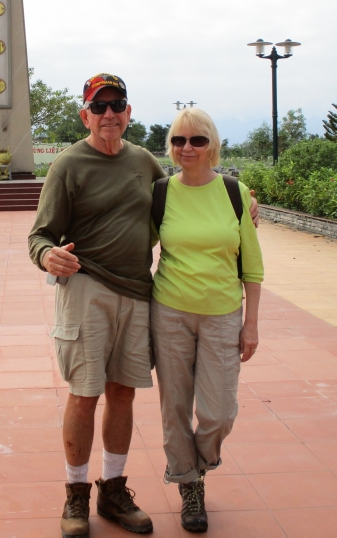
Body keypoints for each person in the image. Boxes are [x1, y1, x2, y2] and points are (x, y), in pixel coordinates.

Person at [29, 73, 162, 537]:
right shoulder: (69, 164)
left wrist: (239, 199)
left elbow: (183, 199)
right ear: (85, 114)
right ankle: (75, 495)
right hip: (86, 288)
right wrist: (48, 254)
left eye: (117, 105)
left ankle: (114, 491)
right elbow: (39, 235)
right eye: (99, 106)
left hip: (137, 291)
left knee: (123, 392)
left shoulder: (144, 161)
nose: (109, 114)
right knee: (85, 395)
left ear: (129, 113)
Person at [150, 107, 263, 533]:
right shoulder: (160, 192)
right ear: (171, 147)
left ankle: (197, 462)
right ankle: (188, 484)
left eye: (197, 140)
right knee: (174, 406)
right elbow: (132, 239)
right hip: (170, 312)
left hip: (222, 315)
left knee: (218, 413)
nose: (187, 148)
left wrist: (250, 324)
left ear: (212, 144)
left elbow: (251, 266)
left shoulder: (235, 193)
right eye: (179, 140)